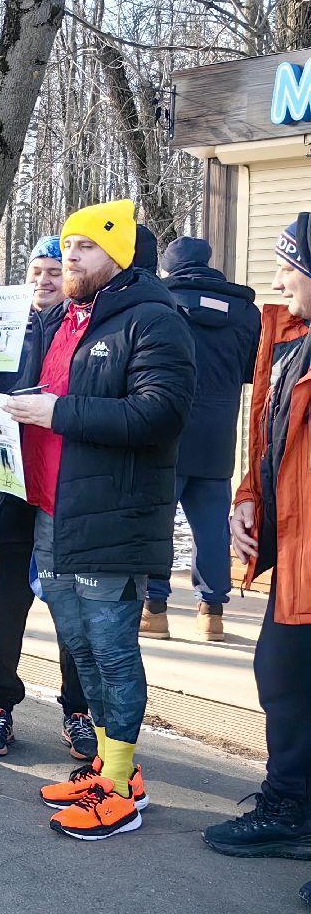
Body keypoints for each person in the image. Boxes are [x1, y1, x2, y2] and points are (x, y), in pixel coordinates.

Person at [0, 198, 194, 840]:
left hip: (111, 515)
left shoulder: (155, 319)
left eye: (86, 247)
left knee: (112, 652)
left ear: (119, 255)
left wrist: (55, 412)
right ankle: (106, 764)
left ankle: (123, 790)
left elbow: (160, 415)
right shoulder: (66, 319)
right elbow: (30, 389)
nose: (70, 256)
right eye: (66, 245)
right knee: (82, 649)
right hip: (50, 509)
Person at [0, 236, 92, 761]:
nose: (44, 281)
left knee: (69, 606)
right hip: (8, 482)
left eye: (55, 271)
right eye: (36, 271)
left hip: (62, 485)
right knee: (3, 601)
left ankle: (78, 711)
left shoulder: (85, 325)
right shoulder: (3, 320)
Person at [204, 212, 311, 881]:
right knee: (282, 675)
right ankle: (291, 808)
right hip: (296, 551)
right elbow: (274, 441)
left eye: (291, 266)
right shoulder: (293, 337)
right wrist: (250, 498)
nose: (276, 279)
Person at [138, 236, 259, 642]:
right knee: (211, 525)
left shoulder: (161, 300)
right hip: (219, 432)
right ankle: (212, 612)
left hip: (169, 427)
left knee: (157, 522)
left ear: (170, 268)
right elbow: (250, 371)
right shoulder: (245, 312)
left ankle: (154, 609)